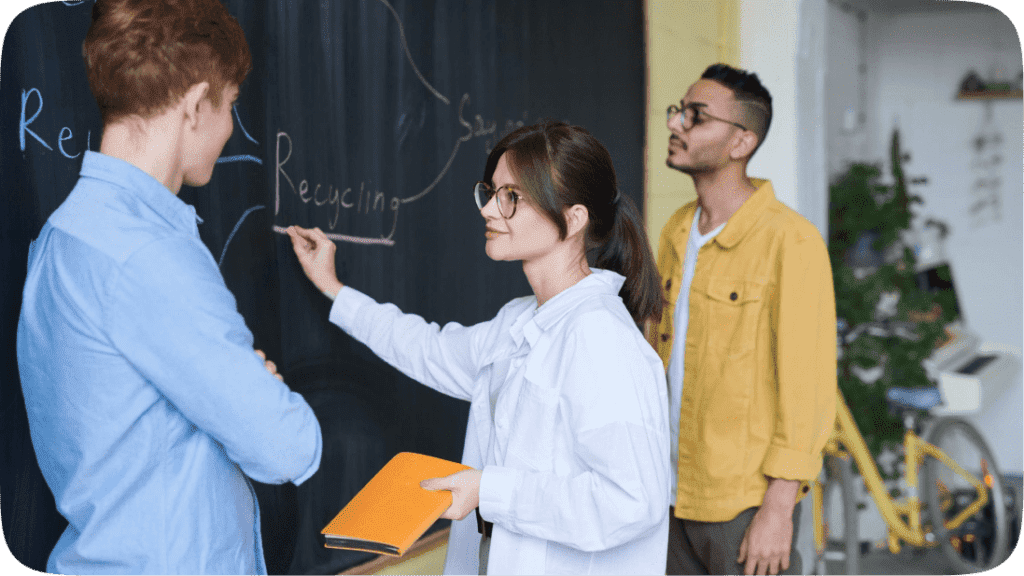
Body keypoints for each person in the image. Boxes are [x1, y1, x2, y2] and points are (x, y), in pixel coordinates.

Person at [15, 1, 322, 573]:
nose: (230, 126)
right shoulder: (149, 255)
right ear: (194, 105)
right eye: (230, 104)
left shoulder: (62, 236)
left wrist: (231, 390)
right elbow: (287, 445)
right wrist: (248, 389)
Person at [287, 120, 669, 575]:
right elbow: (428, 348)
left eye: (511, 197)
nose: (489, 209)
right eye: (490, 192)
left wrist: (491, 492)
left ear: (573, 219)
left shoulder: (600, 341)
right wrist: (335, 290)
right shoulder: (520, 320)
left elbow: (633, 501)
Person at [651, 63, 837, 575]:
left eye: (696, 116)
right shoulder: (675, 231)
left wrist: (778, 509)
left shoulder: (789, 241)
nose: (676, 124)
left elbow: (809, 388)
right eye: (679, 111)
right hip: (666, 496)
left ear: (741, 142)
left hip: (742, 506)